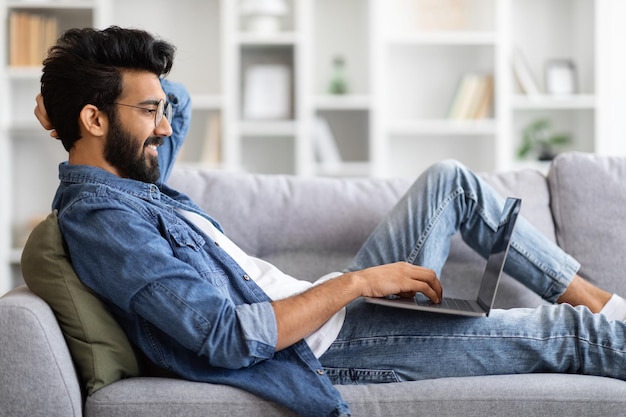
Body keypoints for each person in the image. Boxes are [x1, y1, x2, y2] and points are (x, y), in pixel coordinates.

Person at [36, 26, 626, 417]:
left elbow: (177, 100)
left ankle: (607, 301)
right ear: (96, 119)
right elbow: (221, 336)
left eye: (157, 111)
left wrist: (64, 104)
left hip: (329, 314)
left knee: (452, 183)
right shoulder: (106, 219)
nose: (165, 127)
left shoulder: (133, 176)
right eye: (148, 112)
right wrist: (358, 283)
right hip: (328, 345)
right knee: (567, 336)